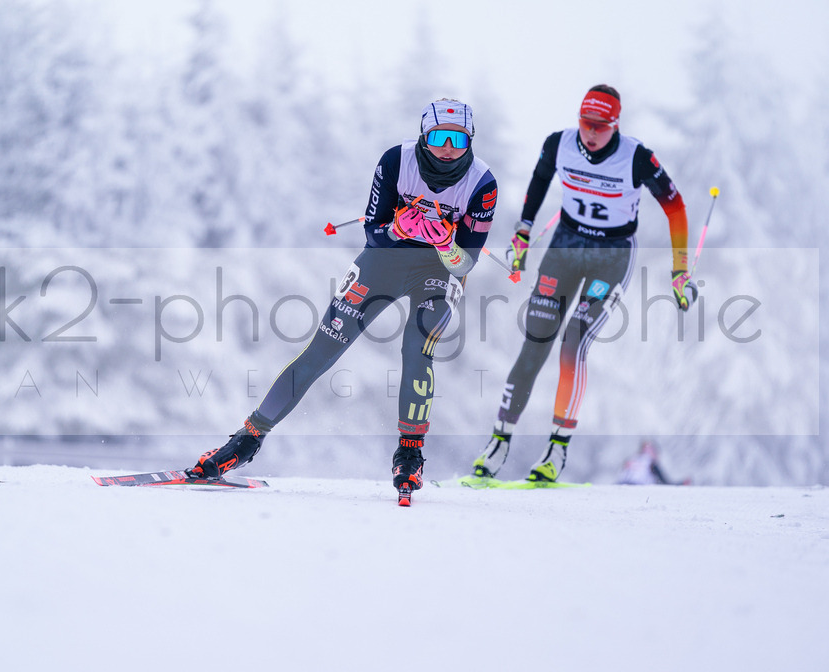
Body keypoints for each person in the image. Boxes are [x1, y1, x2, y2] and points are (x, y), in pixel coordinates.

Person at [185, 98, 499, 502]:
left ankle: (410, 454)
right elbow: (373, 232)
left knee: (417, 347)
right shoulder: (396, 160)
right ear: (424, 136)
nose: (448, 149)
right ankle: (245, 441)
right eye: (440, 138)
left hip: (439, 269)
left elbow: (465, 263)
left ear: (471, 140)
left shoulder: (482, 183)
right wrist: (398, 229)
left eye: (459, 140)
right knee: (322, 348)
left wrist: (443, 244)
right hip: (385, 259)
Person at [462, 85, 696, 486]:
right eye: (586, 123)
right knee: (535, 341)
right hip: (565, 248)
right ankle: (499, 440)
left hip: (612, 255)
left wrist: (680, 271)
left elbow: (675, 207)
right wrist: (523, 231)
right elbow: (539, 181)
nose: (591, 133)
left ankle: (557, 449)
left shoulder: (637, 157)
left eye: (600, 126)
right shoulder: (559, 144)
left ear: (615, 125)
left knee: (574, 340)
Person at [617, 439, 688, 485]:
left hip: (621, 484)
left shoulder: (632, 458)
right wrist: (681, 483)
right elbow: (665, 482)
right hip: (638, 486)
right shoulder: (651, 464)